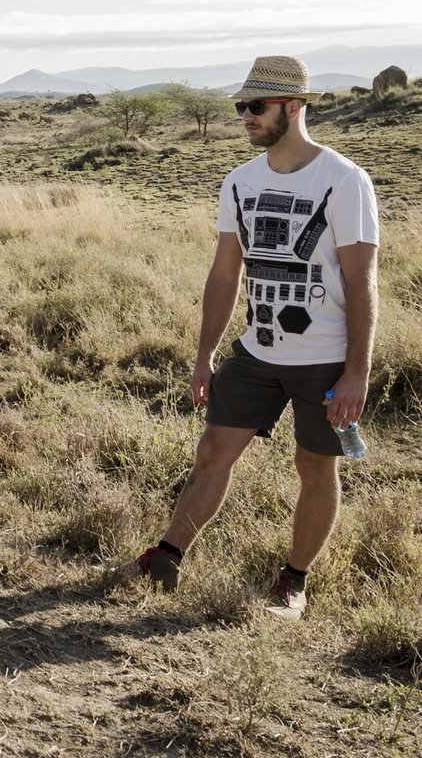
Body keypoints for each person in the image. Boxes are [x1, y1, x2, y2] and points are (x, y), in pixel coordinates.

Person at [126, 56, 379, 620]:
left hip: (324, 360)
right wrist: (205, 356)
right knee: (212, 451)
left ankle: (293, 583)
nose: (246, 116)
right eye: (242, 105)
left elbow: (362, 282)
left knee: (315, 467)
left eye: (256, 106)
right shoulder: (240, 182)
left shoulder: (344, 180)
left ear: (295, 107)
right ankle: (166, 558)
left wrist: (356, 372)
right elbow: (225, 273)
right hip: (256, 352)